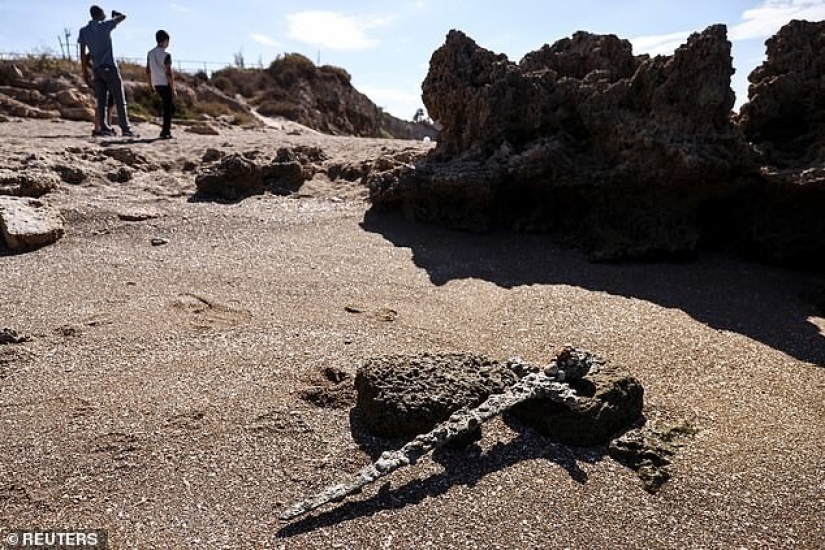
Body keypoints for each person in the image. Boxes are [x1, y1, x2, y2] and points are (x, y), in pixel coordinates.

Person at [77, 5, 138, 138]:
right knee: (119, 100)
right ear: (100, 14)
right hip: (109, 67)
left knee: (101, 101)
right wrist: (116, 14)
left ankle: (104, 128)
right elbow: (123, 17)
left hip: (96, 69)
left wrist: (85, 72)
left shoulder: (84, 31)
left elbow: (82, 54)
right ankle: (126, 128)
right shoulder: (105, 25)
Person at [146, 30, 176, 139]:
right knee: (168, 108)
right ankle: (165, 131)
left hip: (156, 82)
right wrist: (173, 88)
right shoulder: (166, 55)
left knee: (168, 106)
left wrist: (150, 85)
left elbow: (148, 70)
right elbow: (169, 73)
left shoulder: (150, 53)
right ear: (165, 41)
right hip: (164, 82)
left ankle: (165, 128)